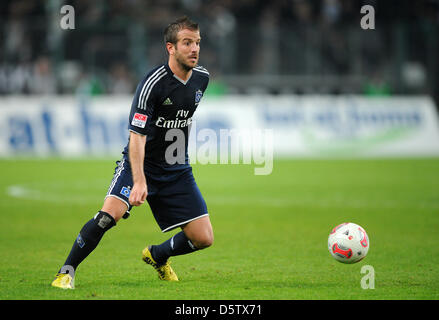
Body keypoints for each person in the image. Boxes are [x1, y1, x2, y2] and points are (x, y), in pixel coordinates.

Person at [52, 16, 213, 289]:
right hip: (139, 164)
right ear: (170, 48)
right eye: (187, 43)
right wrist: (139, 180)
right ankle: (66, 271)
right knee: (107, 216)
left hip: (176, 169)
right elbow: (137, 135)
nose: (194, 48)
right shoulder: (153, 83)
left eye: (197, 42)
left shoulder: (202, 79)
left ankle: (158, 255)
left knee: (203, 238)